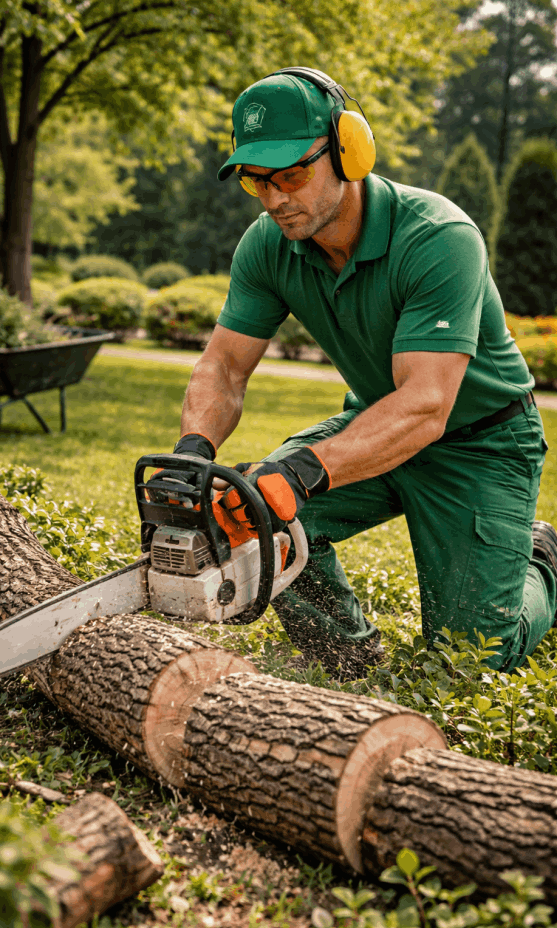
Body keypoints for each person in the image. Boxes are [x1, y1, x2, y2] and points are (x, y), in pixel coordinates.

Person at [158, 67, 557, 679]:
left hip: (481, 442)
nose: (274, 198)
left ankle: (542, 561)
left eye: (291, 174)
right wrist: (193, 451)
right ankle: (346, 655)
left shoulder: (438, 237)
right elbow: (224, 368)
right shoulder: (268, 245)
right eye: (254, 180)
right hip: (374, 421)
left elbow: (426, 404)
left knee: (470, 661)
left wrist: (306, 469)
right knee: (257, 517)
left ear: (350, 149)